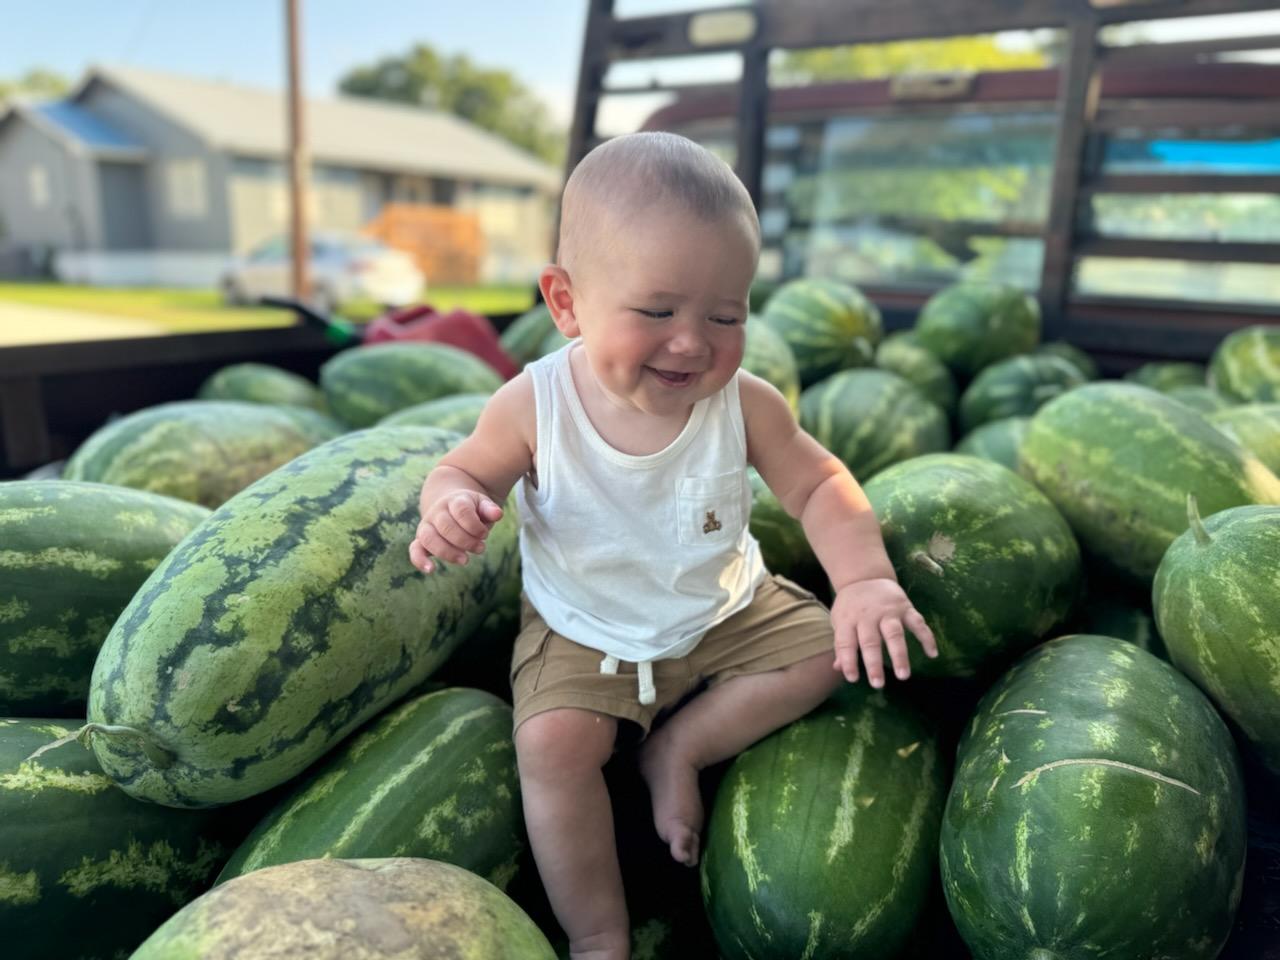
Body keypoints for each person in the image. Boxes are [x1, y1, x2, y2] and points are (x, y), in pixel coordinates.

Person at [409, 131, 937, 960]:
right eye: (657, 312)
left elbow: (818, 485)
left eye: (725, 315)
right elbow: (463, 468)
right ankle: (597, 935)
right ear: (566, 302)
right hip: (587, 624)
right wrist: (452, 503)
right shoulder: (534, 404)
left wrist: (865, 580)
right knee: (552, 749)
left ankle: (680, 746)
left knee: (826, 655)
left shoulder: (746, 403)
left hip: (723, 606)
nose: (693, 342)